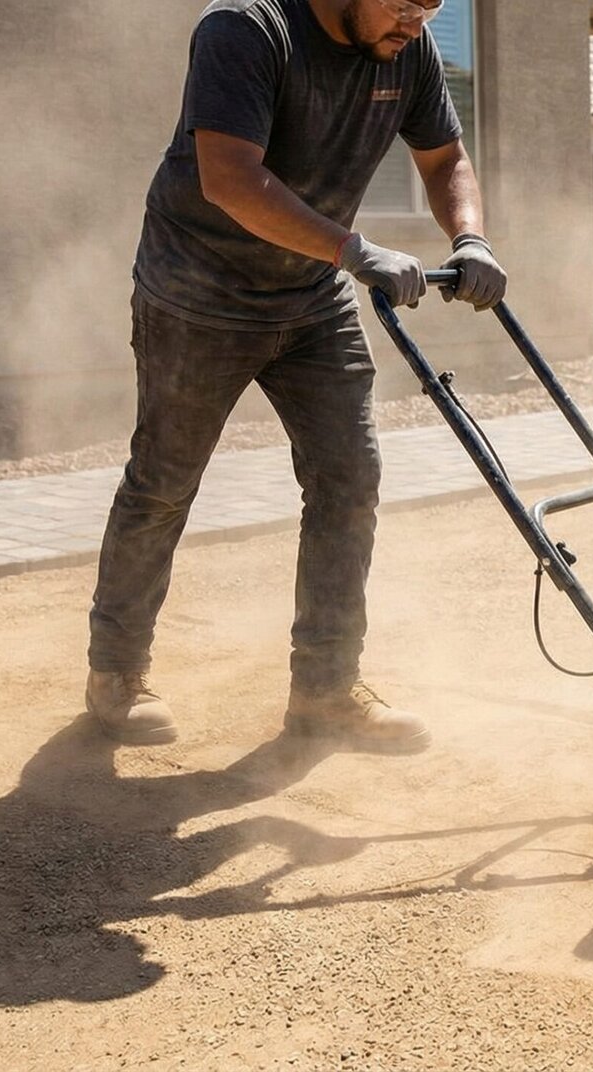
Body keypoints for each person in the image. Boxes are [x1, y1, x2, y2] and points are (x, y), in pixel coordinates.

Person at [85, 0, 505, 753]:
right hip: (196, 296)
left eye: (434, 5)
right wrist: (352, 248)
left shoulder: (408, 53)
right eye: (405, 2)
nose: (418, 21)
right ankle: (116, 673)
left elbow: (445, 160)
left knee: (350, 478)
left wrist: (468, 236)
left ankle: (325, 690)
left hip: (311, 297)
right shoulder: (247, 31)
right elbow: (229, 178)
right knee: (163, 484)